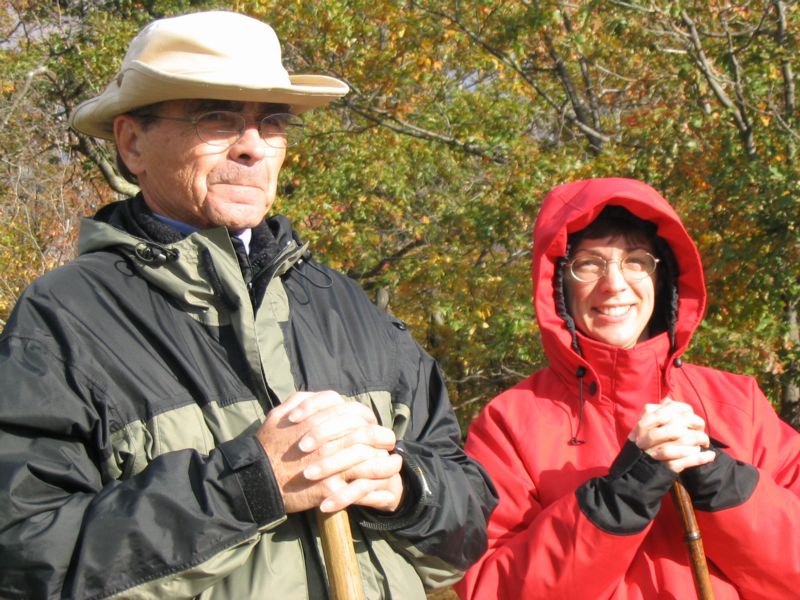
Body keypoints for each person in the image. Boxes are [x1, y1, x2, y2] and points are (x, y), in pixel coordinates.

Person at [0, 11, 497, 600]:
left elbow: (471, 519)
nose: (253, 148)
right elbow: (24, 557)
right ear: (132, 144)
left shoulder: (344, 304)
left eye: (273, 122)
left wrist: (406, 488)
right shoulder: (65, 318)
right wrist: (248, 486)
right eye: (217, 117)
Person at [455, 177, 800, 599]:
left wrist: (724, 485)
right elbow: (490, 588)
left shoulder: (738, 402)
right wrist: (617, 501)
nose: (614, 284)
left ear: (663, 276)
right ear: (558, 284)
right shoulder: (509, 423)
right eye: (589, 264)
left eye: (636, 261)